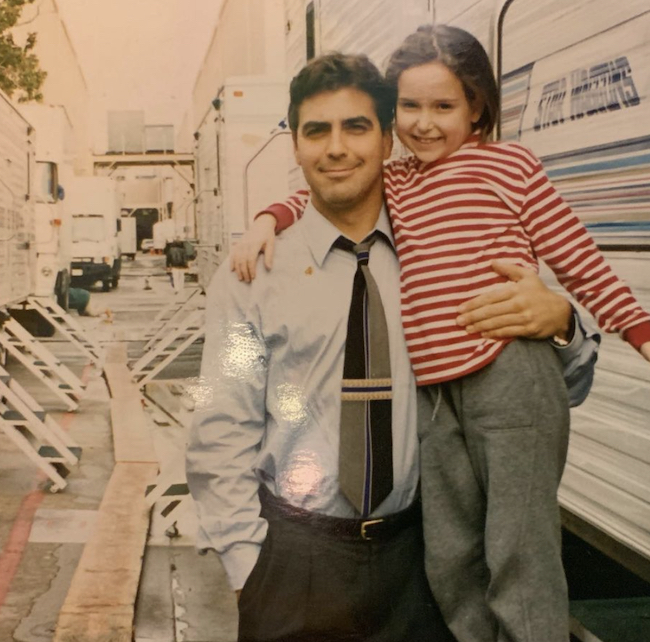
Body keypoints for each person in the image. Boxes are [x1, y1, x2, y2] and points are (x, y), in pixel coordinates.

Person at [230, 26, 650, 642]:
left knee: (518, 550)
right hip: (436, 391)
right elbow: (315, 193)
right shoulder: (396, 181)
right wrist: (267, 219)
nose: (425, 124)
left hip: (510, 371)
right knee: (449, 553)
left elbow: (581, 259)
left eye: (444, 107)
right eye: (410, 106)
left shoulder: (511, 166)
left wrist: (639, 331)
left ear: (477, 107)